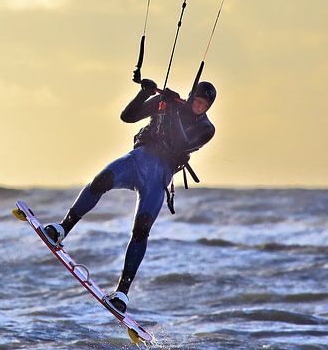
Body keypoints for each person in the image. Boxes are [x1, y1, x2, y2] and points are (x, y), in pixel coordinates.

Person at [43, 78, 217, 313]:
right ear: (191, 95)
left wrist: (172, 107)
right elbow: (128, 116)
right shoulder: (166, 102)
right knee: (100, 181)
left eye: (205, 105)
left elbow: (180, 144)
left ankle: (122, 293)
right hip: (138, 160)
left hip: (158, 178)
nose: (200, 107)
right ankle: (62, 229)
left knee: (142, 228)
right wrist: (144, 94)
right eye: (197, 101)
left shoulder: (207, 129)